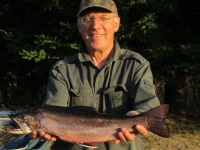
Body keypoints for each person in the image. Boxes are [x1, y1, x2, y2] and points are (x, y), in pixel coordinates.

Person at [29, 0, 160, 149]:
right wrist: (46, 130)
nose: (95, 26)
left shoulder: (136, 65)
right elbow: (53, 112)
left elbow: (149, 108)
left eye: (104, 18)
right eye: (88, 19)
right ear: (79, 25)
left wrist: (138, 120)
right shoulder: (62, 70)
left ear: (116, 24)